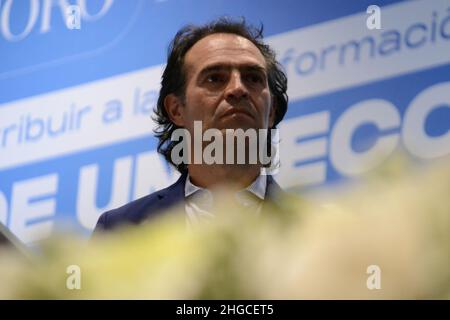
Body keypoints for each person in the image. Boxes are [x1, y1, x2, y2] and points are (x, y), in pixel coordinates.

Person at [94, 17, 289, 232]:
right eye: (215, 78)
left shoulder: (319, 227)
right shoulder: (121, 228)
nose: (238, 88)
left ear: (271, 111)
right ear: (177, 109)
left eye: (253, 78)